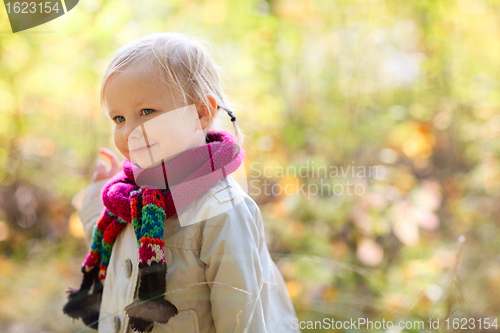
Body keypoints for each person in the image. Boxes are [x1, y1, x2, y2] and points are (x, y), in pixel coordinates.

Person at [63, 32, 300, 333]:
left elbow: (242, 319)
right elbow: (117, 254)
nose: (129, 131)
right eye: (119, 119)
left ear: (202, 113)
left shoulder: (221, 210)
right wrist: (98, 192)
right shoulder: (131, 198)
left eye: (146, 112)